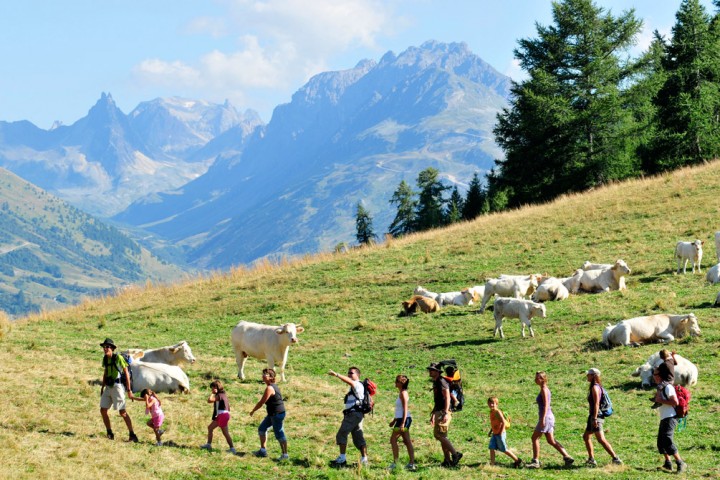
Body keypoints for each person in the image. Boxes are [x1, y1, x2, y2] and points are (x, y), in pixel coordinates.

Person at [526, 371, 574, 469]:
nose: (536, 379)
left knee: (535, 438)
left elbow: (547, 405)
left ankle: (535, 461)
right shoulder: (544, 389)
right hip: (549, 417)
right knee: (551, 440)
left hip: (546, 417)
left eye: (539, 378)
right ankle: (567, 456)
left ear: (544, 379)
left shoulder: (544, 389)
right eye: (536, 377)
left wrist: (542, 419)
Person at [99, 338, 138, 442]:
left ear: (112, 348)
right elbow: (105, 372)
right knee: (103, 410)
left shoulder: (118, 358)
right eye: (104, 347)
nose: (105, 348)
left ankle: (132, 434)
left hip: (117, 386)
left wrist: (129, 390)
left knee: (122, 412)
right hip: (108, 386)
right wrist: (102, 387)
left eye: (107, 347)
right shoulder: (105, 359)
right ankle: (109, 432)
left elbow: (126, 373)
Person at [328, 367, 368, 467]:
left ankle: (342, 459)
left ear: (358, 375)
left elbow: (350, 382)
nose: (349, 375)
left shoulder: (357, 384)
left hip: (353, 414)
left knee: (342, 433)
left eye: (351, 373)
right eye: (348, 373)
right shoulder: (358, 386)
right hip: (357, 414)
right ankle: (364, 459)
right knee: (358, 437)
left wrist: (337, 375)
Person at [582, 368, 621, 466]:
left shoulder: (595, 387)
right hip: (593, 416)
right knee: (586, 436)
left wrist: (594, 418)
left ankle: (615, 458)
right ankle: (591, 459)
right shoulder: (598, 386)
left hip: (596, 416)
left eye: (589, 375)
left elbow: (596, 404)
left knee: (601, 439)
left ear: (593, 376)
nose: (587, 376)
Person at [653, 368, 687, 473]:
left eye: (655, 374)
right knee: (661, 442)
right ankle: (668, 463)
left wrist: (660, 400)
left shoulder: (667, 387)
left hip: (671, 417)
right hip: (664, 417)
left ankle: (680, 462)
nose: (653, 376)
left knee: (667, 440)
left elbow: (675, 402)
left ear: (659, 375)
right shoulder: (661, 387)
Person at [427, 362, 462, 467]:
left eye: (432, 370)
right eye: (429, 370)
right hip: (439, 410)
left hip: (443, 411)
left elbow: (447, 397)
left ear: (437, 372)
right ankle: (447, 460)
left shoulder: (442, 382)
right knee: (442, 436)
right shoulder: (436, 382)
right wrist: (433, 413)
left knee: (439, 435)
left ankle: (455, 454)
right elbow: (437, 400)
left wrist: (446, 412)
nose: (430, 371)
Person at [249, 368, 288, 460]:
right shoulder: (272, 386)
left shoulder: (270, 388)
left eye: (265, 374)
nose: (263, 376)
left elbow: (261, 402)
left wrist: (253, 411)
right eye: (263, 374)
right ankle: (263, 451)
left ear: (271, 377)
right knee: (262, 429)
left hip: (277, 414)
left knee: (279, 433)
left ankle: (285, 455)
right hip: (272, 414)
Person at [388, 375, 416, 471]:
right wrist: (394, 420)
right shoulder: (401, 392)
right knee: (407, 441)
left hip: (404, 420)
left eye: (396, 381)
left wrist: (403, 423)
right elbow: (399, 410)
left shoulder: (403, 393)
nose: (395, 383)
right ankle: (411, 463)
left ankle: (396, 463)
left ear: (400, 383)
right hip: (401, 419)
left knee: (393, 440)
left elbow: (405, 409)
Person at [200, 380, 236, 454]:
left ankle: (232, 449)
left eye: (213, 388)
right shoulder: (223, 394)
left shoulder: (219, 395)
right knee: (210, 428)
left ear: (216, 387)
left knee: (225, 433)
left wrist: (212, 393)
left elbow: (209, 400)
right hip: (222, 415)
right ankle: (208, 445)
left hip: (222, 415)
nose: (212, 389)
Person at [487, 396, 522, 467]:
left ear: (497, 404)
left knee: (504, 449)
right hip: (495, 434)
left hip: (500, 434)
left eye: (493, 403)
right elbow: (494, 423)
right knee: (491, 448)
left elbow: (503, 422)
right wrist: (491, 431)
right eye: (490, 403)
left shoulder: (497, 412)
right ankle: (492, 464)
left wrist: (500, 433)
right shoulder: (491, 412)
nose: (491, 405)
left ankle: (517, 460)